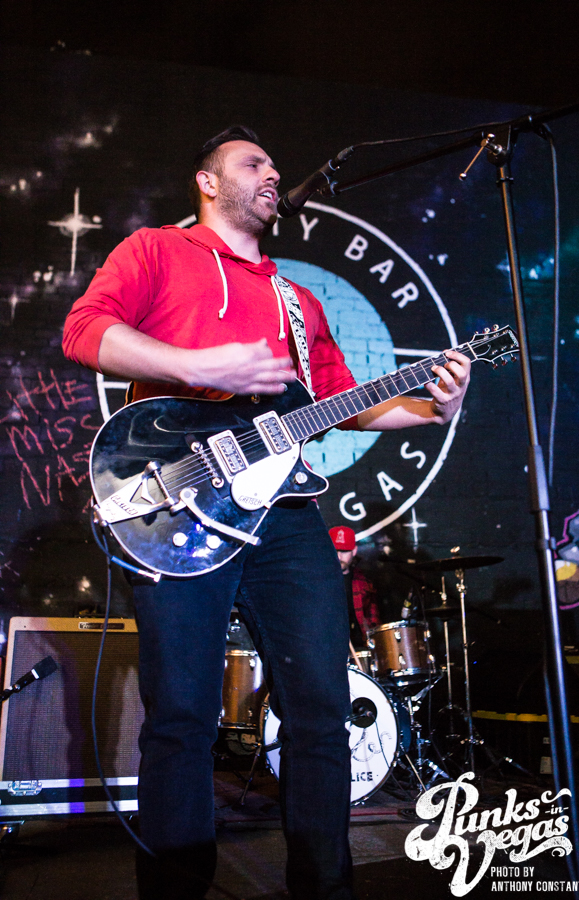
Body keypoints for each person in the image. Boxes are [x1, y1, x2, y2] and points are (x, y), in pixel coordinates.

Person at [62, 125, 471, 900]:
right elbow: (84, 331)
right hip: (181, 502)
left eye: (276, 165)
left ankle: (325, 888)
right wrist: (193, 363)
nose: (273, 174)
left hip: (285, 516)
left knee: (320, 708)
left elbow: (345, 403)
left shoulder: (297, 299)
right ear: (208, 181)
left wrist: (432, 408)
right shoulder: (157, 250)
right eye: (254, 163)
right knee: (180, 717)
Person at [329, 525, 380, 647]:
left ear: (354, 551)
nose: (339, 557)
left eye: (344, 551)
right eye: (335, 551)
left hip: (360, 647)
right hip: (329, 648)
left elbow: (374, 621)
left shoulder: (364, 583)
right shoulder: (317, 582)